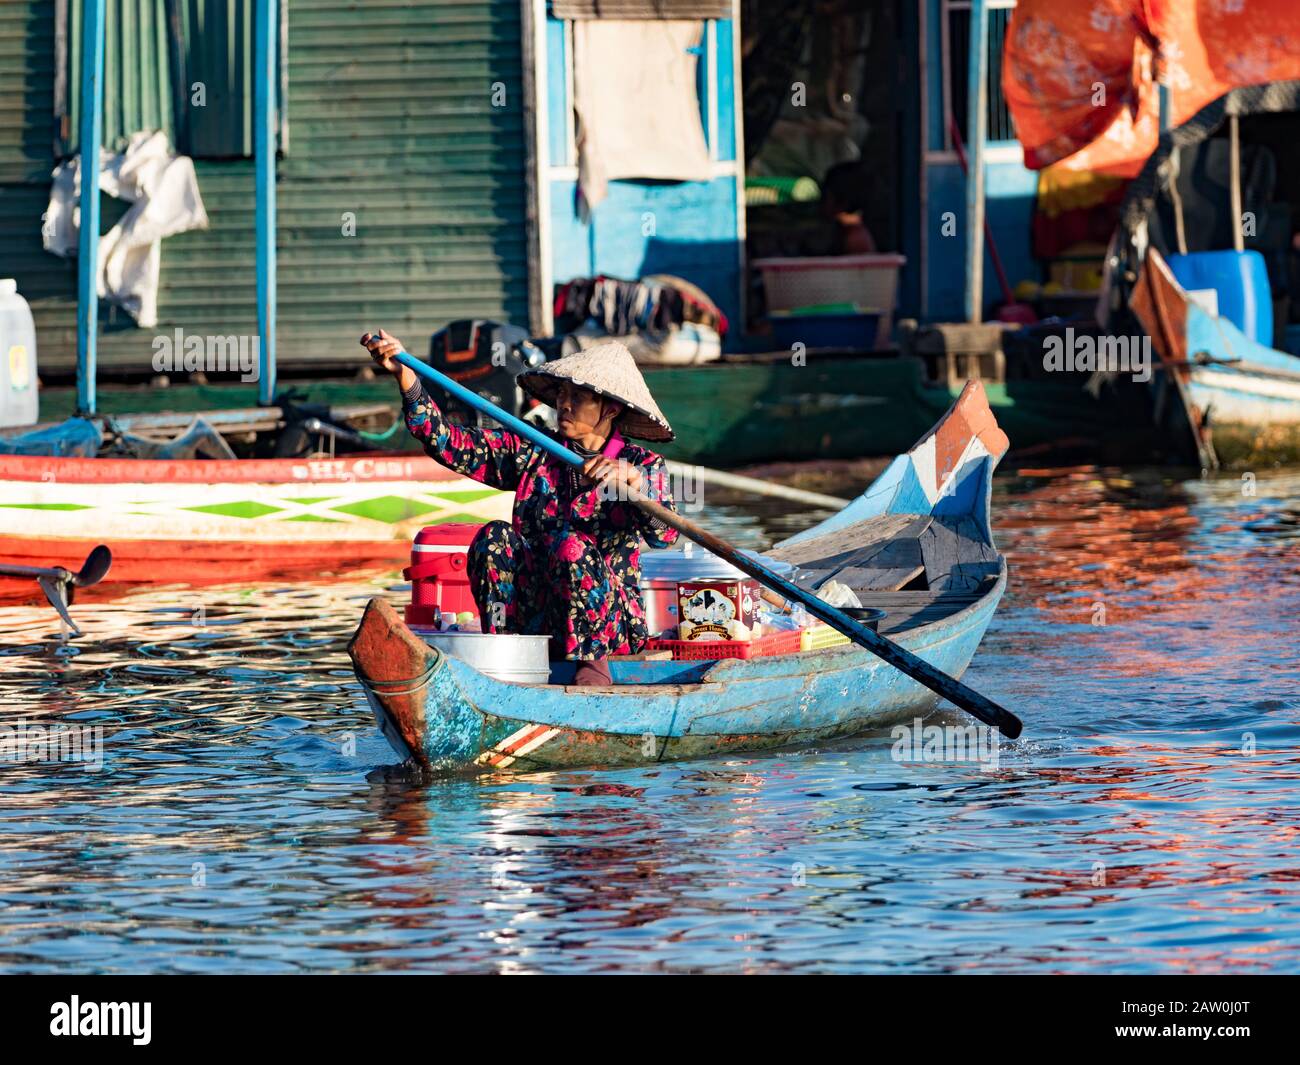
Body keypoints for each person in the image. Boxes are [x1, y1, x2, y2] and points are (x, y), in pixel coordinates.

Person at [362, 331, 679, 686]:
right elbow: (446, 441)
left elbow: (665, 536)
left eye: (578, 397)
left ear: (611, 408)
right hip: (540, 617)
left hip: (609, 628)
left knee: (571, 547)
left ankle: (592, 665)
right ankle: (506, 652)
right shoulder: (534, 449)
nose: (565, 405)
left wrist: (635, 487)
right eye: (561, 394)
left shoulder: (641, 464)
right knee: (493, 537)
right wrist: (406, 378)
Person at [820, 160, 877, 255]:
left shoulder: (856, 239)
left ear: (842, 202)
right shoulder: (839, 231)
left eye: (825, 197)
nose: (821, 204)